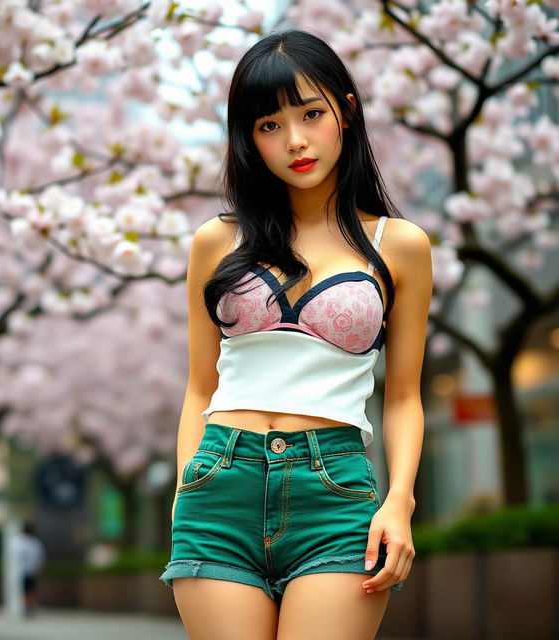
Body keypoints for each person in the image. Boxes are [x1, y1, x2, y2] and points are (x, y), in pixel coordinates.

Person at [159, 28, 431, 640]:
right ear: (248, 138)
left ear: (347, 112)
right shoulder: (216, 241)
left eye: (311, 113)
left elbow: (406, 397)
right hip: (220, 481)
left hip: (333, 492)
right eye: (269, 125)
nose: (296, 141)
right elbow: (199, 388)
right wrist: (186, 491)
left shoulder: (401, 247)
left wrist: (399, 501)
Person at [14, 521, 46, 617]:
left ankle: (29, 607)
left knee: (30, 590)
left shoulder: (35, 543)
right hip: (21, 571)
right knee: (25, 590)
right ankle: (26, 607)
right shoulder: (18, 542)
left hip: (31, 571)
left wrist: (38, 569)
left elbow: (39, 558)